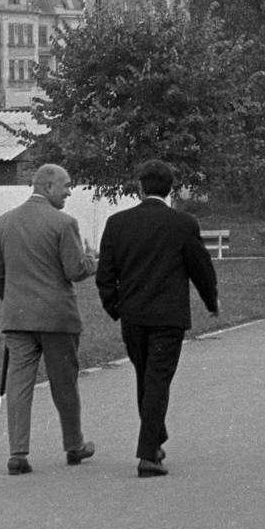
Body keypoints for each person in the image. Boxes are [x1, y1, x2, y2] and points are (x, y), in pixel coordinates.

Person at [95, 159, 220, 478]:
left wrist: (115, 308)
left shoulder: (117, 223)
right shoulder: (182, 223)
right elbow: (201, 268)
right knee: (157, 380)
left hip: (133, 318)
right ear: (171, 188)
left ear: (139, 187)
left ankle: (155, 438)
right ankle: (148, 455)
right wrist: (211, 301)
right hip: (168, 317)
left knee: (146, 377)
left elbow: (105, 275)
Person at [0, 163, 97, 476]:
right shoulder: (64, 223)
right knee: (64, 384)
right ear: (47, 186)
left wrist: (12, 300)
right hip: (57, 319)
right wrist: (91, 261)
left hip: (17, 319)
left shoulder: (5, 222)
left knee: (19, 385)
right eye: (65, 185)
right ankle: (74, 447)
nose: (69, 191)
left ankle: (17, 454)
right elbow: (74, 271)